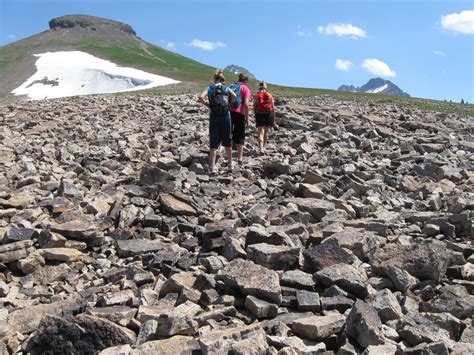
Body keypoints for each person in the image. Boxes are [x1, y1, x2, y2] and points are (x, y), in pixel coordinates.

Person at [199, 69, 236, 174]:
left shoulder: (210, 88)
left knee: (214, 142)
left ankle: (212, 167)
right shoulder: (226, 88)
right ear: (222, 80)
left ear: (215, 79)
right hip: (226, 116)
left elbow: (201, 97)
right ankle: (230, 165)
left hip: (214, 116)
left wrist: (208, 105)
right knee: (227, 141)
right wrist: (229, 104)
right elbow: (235, 96)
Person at [229, 73, 251, 165]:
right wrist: (247, 117)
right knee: (239, 136)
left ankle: (228, 158)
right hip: (240, 113)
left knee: (228, 135)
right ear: (245, 81)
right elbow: (246, 104)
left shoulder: (231, 86)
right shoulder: (245, 88)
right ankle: (240, 159)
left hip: (229, 112)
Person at [253, 81, 276, 154]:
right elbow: (273, 108)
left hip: (259, 114)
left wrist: (255, 115)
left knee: (260, 132)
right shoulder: (270, 95)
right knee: (266, 131)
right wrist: (273, 120)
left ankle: (261, 149)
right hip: (268, 114)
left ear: (258, 87)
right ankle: (264, 147)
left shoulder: (257, 96)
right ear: (265, 87)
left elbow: (254, 107)